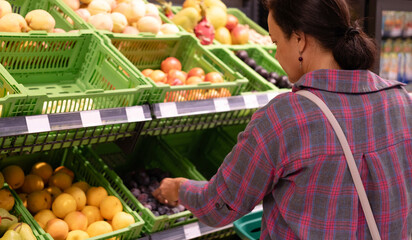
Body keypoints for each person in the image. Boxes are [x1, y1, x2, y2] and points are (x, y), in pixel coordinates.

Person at [153, 0, 412, 239]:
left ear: (299, 40)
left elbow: (220, 205)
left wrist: (180, 189)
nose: (276, 56)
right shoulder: (402, 100)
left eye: (276, 43)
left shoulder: (285, 118)